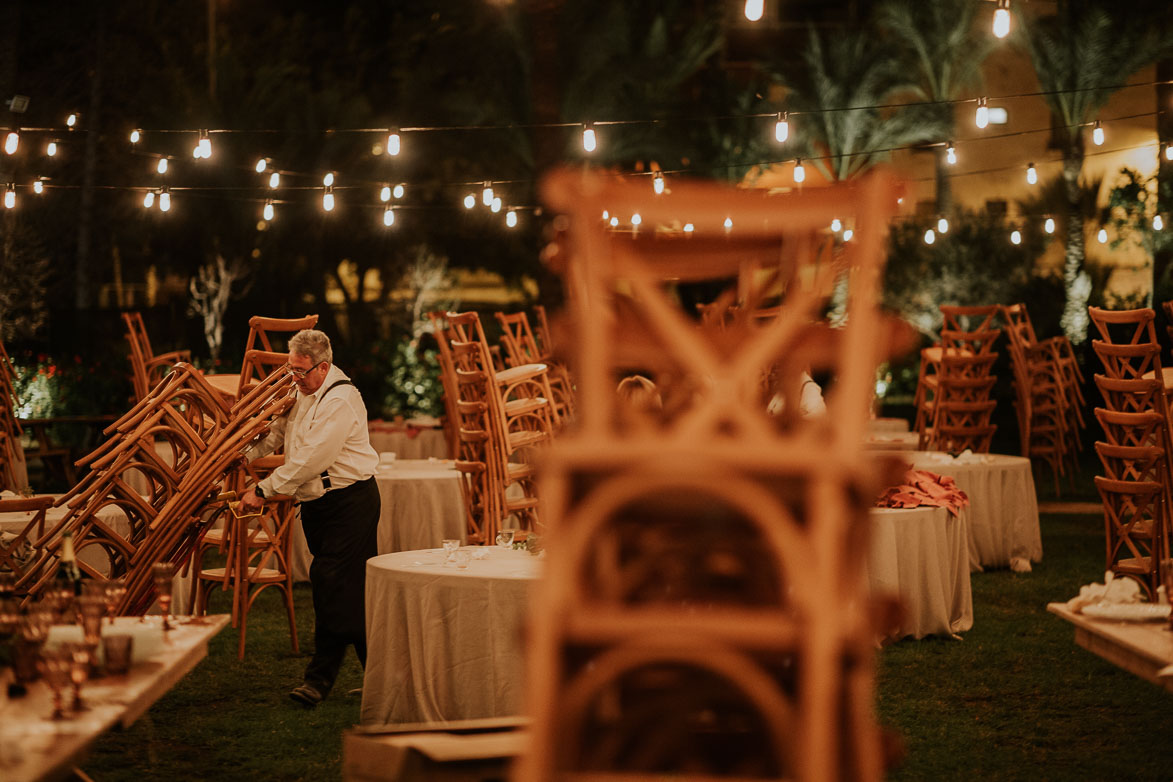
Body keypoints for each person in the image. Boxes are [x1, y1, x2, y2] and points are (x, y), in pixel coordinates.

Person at [239, 329, 380, 708]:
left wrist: (265, 490)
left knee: (329, 582)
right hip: (319, 505)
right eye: (290, 369)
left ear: (323, 366)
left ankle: (318, 680)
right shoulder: (302, 393)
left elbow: (309, 460)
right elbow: (277, 433)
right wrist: (242, 454)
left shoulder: (341, 400)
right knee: (350, 594)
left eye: (300, 371)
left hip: (351, 503)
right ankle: (382, 679)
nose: (294, 378)